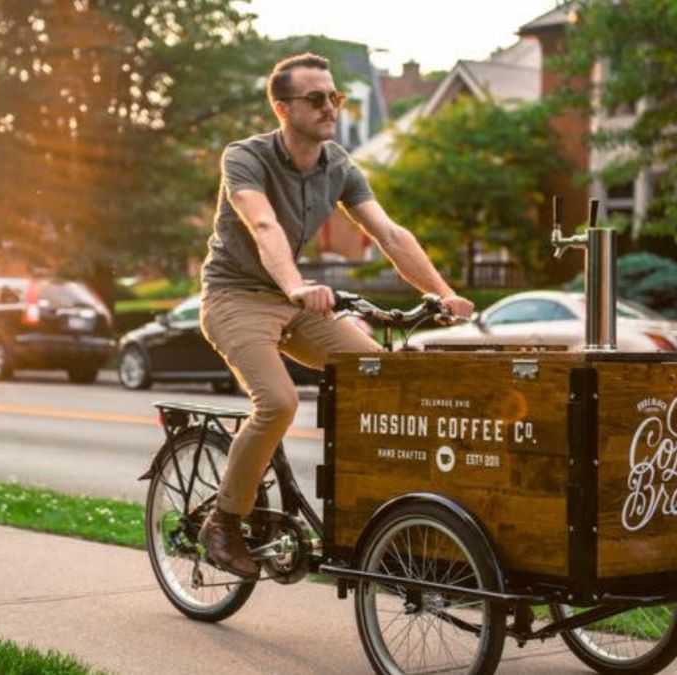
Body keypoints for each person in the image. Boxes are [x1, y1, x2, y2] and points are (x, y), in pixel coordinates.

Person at [197, 53, 474, 578]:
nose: (330, 107)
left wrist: (442, 292)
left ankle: (372, 516)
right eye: (316, 98)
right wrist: (297, 284)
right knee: (277, 403)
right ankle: (224, 520)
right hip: (236, 296)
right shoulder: (246, 157)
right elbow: (263, 227)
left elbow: (388, 234)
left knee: (377, 378)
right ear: (282, 107)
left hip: (293, 300)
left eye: (336, 97)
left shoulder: (338, 165)